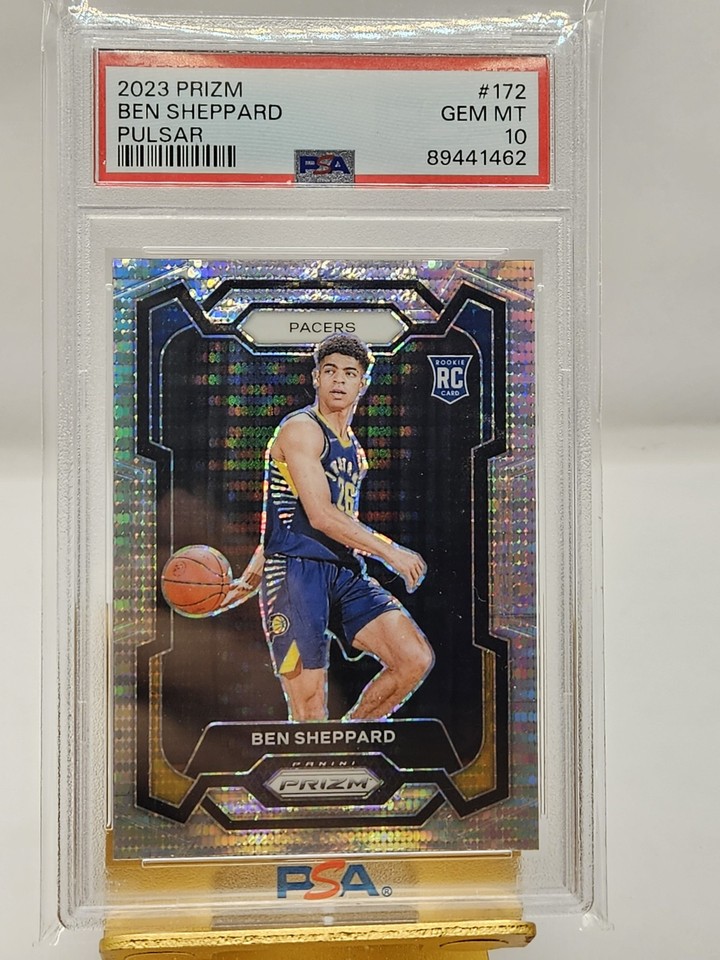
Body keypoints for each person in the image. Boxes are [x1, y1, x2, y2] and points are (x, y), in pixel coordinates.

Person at [223, 333, 434, 721]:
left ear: (362, 384)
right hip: (294, 575)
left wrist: (249, 576)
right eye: (331, 371)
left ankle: (350, 739)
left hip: (343, 571)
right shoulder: (301, 429)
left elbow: (294, 515)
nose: (339, 380)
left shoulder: (354, 450)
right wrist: (389, 551)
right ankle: (322, 752)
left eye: (349, 373)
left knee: (413, 658)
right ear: (316, 377)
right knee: (310, 709)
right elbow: (318, 515)